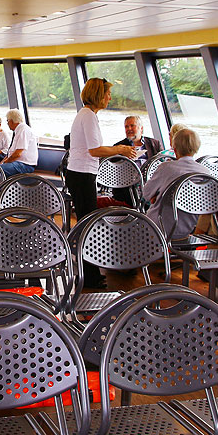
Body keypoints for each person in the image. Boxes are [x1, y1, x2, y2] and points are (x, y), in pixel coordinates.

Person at [68, 78, 138, 287]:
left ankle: (89, 273)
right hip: (81, 174)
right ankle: (89, 276)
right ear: (98, 94)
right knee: (87, 224)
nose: (109, 98)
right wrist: (120, 149)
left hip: (81, 172)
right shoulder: (88, 116)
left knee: (86, 223)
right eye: (107, 94)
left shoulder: (87, 115)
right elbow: (94, 150)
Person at [143, 128, 210, 239]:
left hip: (159, 227)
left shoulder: (166, 168)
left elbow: (146, 194)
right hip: (192, 228)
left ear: (174, 147)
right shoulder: (206, 173)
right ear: (196, 147)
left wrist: (157, 195)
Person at [112, 115, 162, 203]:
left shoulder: (154, 144)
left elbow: (162, 163)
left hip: (151, 182)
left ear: (141, 128)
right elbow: (113, 169)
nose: (129, 129)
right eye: (126, 127)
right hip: (129, 185)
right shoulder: (119, 147)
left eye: (132, 125)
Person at [0, 109, 39, 176]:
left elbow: (17, 154)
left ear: (11, 121)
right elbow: (11, 152)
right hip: (17, 163)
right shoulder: (18, 130)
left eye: (7, 121)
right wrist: (2, 162)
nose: (7, 123)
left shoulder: (23, 130)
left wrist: (5, 162)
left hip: (25, 165)